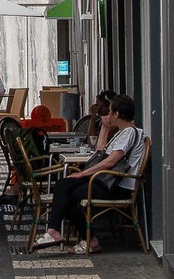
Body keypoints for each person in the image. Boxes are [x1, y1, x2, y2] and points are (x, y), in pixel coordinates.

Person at [34, 95, 144, 253]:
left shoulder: (129, 133)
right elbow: (100, 153)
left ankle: (83, 238)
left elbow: (110, 161)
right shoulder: (122, 133)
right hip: (106, 180)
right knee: (63, 185)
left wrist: (82, 174)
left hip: (117, 186)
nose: (107, 114)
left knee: (67, 195)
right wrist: (104, 128)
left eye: (110, 111)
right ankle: (55, 231)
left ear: (117, 114)